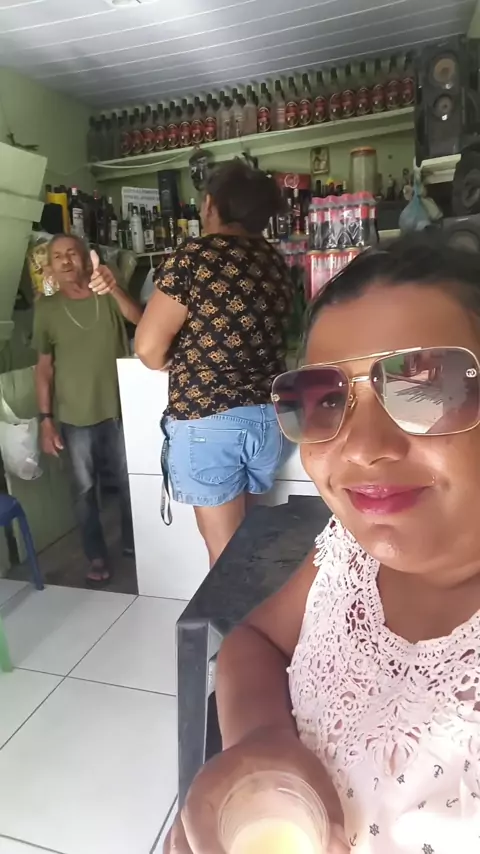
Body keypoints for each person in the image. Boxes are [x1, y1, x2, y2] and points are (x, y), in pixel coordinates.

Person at [166, 235, 480, 854]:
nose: (361, 447)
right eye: (323, 400)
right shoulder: (351, 553)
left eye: (426, 388)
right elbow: (255, 641)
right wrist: (261, 741)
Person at [135, 159, 294, 567]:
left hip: (211, 421)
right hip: (270, 421)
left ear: (210, 204)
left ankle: (239, 613)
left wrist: (175, 355)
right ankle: (258, 607)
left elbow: (148, 349)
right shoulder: (275, 261)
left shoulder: (195, 256)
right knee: (248, 544)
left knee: (226, 561)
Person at [33, 234, 142, 587]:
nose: (66, 261)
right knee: (83, 491)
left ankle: (134, 542)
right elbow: (44, 368)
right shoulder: (46, 309)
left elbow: (140, 319)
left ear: (86, 258)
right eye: (57, 257)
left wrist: (113, 287)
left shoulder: (107, 294)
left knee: (131, 482)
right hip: (73, 416)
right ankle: (95, 554)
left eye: (72, 254)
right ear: (50, 267)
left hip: (120, 409)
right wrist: (46, 421)